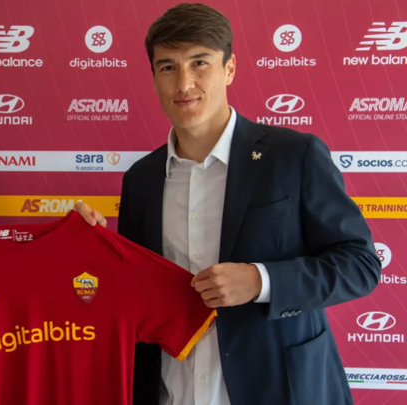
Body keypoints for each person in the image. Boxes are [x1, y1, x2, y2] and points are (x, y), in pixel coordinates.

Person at [80, 3, 381, 405]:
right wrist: (91, 249)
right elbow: (134, 295)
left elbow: (360, 265)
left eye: (199, 63)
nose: (184, 83)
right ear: (154, 79)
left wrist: (261, 281)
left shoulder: (295, 156)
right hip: (175, 390)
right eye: (168, 67)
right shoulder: (140, 179)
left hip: (281, 390)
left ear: (230, 68)